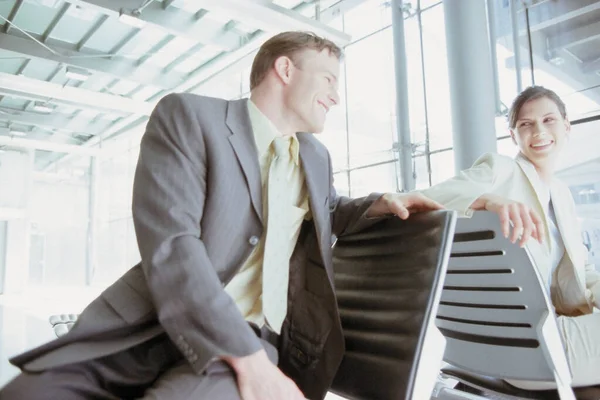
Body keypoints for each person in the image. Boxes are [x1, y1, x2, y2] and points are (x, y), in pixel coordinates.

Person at [0, 31, 443, 400]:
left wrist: (378, 204)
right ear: (285, 70)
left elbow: (326, 210)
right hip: (148, 325)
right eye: (328, 79)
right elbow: (173, 246)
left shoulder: (315, 155)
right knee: (28, 394)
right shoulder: (191, 117)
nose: (336, 95)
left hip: (249, 337)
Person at [419, 85, 600, 389]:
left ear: (567, 126)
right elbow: (418, 203)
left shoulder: (561, 195)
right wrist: (487, 200)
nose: (538, 131)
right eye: (525, 124)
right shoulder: (501, 169)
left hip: (546, 334)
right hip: (530, 345)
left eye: (549, 120)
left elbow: (582, 272)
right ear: (514, 135)